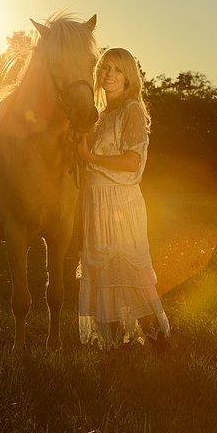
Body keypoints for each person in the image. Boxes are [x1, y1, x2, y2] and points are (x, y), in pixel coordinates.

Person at [77, 47, 170, 350]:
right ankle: (113, 344)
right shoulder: (102, 115)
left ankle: (158, 341)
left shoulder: (131, 110)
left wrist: (90, 156)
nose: (109, 75)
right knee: (102, 269)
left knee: (127, 268)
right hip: (96, 201)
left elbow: (132, 162)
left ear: (129, 76)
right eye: (105, 68)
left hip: (119, 200)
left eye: (117, 69)